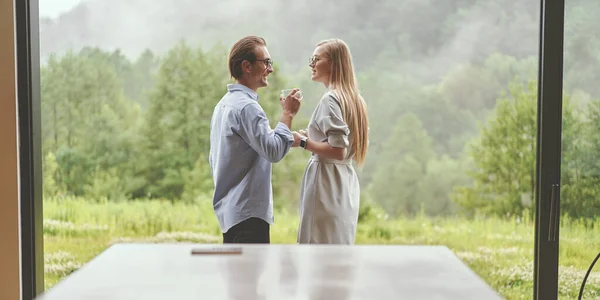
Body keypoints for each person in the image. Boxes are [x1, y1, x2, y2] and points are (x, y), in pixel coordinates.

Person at [209, 36, 302, 244]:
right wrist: (288, 114)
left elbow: (250, 147)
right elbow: (273, 152)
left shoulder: (224, 105)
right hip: (248, 214)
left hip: (231, 213)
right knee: (250, 277)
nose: (271, 69)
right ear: (246, 66)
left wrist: (290, 139)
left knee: (237, 276)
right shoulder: (248, 107)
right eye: (266, 62)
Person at [294, 39, 369, 244]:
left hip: (326, 184)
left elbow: (338, 150)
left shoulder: (331, 99)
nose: (311, 64)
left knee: (316, 247)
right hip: (345, 184)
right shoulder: (356, 100)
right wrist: (311, 139)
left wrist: (303, 142)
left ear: (333, 64)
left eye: (316, 59)